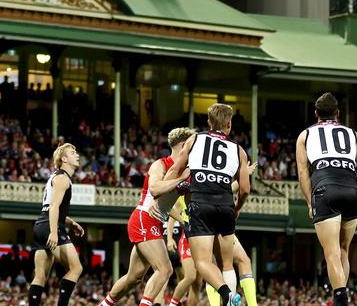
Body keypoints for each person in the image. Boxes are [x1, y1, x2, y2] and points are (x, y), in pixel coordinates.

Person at [97, 127, 194, 306]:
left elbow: (166, 204)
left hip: (154, 222)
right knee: (165, 269)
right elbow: (155, 189)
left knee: (133, 278)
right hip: (143, 218)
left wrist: (182, 219)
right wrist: (181, 179)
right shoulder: (161, 164)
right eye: (192, 146)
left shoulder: (183, 171)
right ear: (183, 146)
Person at [166, 103, 251, 306]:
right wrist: (237, 209)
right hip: (225, 206)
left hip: (200, 204)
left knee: (203, 262)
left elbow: (175, 170)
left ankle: (227, 295)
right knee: (227, 265)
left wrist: (163, 188)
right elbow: (245, 189)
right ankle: (230, 299)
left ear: (208, 122)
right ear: (229, 124)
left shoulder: (195, 139)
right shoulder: (239, 151)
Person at [296, 92, 357, 306]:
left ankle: (340, 300)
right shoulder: (352, 133)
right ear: (338, 113)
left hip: (324, 189)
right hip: (350, 188)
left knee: (331, 253)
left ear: (316, 114)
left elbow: (303, 172)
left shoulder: (305, 135)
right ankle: (341, 296)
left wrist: (310, 202)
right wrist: (356, 187)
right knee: (344, 250)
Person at [29, 143, 86, 306]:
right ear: (64, 159)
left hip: (41, 224)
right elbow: (54, 207)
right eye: (72, 152)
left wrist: (71, 222)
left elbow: (50, 207)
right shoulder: (62, 179)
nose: (77, 154)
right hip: (50, 226)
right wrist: (54, 232)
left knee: (40, 276)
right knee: (76, 269)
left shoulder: (56, 176)